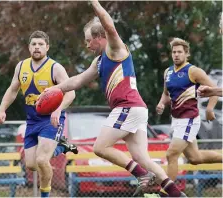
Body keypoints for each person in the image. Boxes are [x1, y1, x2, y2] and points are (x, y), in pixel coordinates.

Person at [46, 1, 185, 197]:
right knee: (141, 157)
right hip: (135, 109)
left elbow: (109, 24)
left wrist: (94, 2)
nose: (86, 45)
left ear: (99, 37)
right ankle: (176, 194)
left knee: (100, 147)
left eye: (88, 40)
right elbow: (77, 81)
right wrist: (54, 89)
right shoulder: (100, 60)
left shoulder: (115, 49)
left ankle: (142, 176)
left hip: (127, 107)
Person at [0, 30, 78, 197]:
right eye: (34, 44)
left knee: (42, 160)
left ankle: (44, 196)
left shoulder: (55, 68)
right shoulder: (21, 67)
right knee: (32, 164)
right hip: (32, 121)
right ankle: (61, 146)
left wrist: (57, 109)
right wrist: (1, 109)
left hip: (51, 120)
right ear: (29, 47)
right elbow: (12, 90)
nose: (37, 47)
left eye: (41, 44)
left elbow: (71, 93)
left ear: (47, 47)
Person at [156, 37, 222, 195]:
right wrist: (161, 103)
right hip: (177, 120)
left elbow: (214, 90)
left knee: (171, 154)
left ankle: (167, 193)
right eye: (174, 52)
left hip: (190, 120)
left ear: (186, 54)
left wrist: (209, 109)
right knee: (195, 158)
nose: (176, 55)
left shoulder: (194, 71)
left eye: (179, 52)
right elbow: (166, 94)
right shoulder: (168, 72)